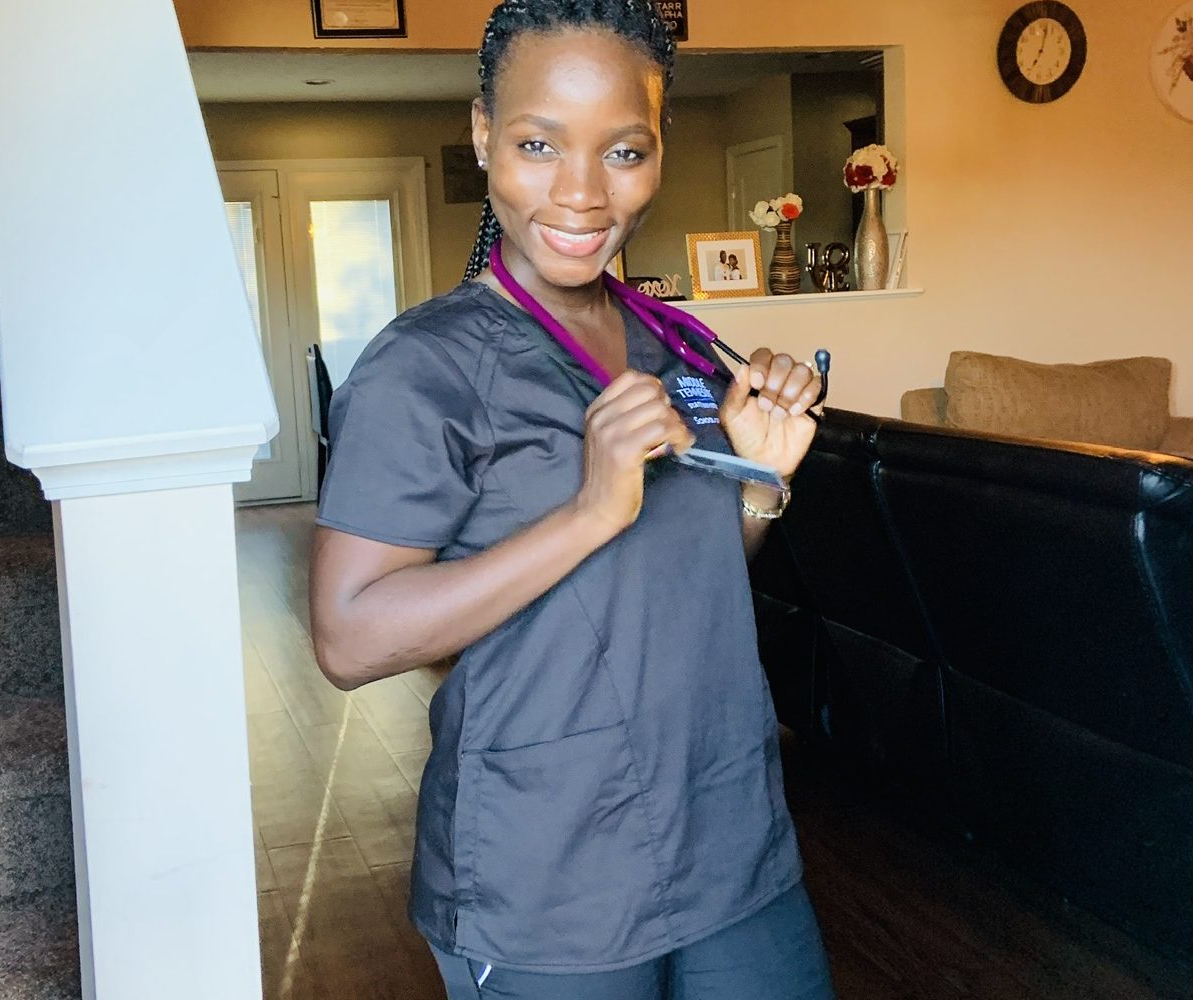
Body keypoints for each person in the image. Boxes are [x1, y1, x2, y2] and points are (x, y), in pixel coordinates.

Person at [308, 1, 834, 997]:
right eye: (538, 144)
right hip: (547, 872)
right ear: (482, 136)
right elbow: (347, 639)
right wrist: (589, 511)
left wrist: (763, 479)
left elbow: (683, 570)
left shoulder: (676, 343)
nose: (584, 192)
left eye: (624, 151)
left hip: (730, 838)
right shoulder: (422, 370)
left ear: (659, 148)